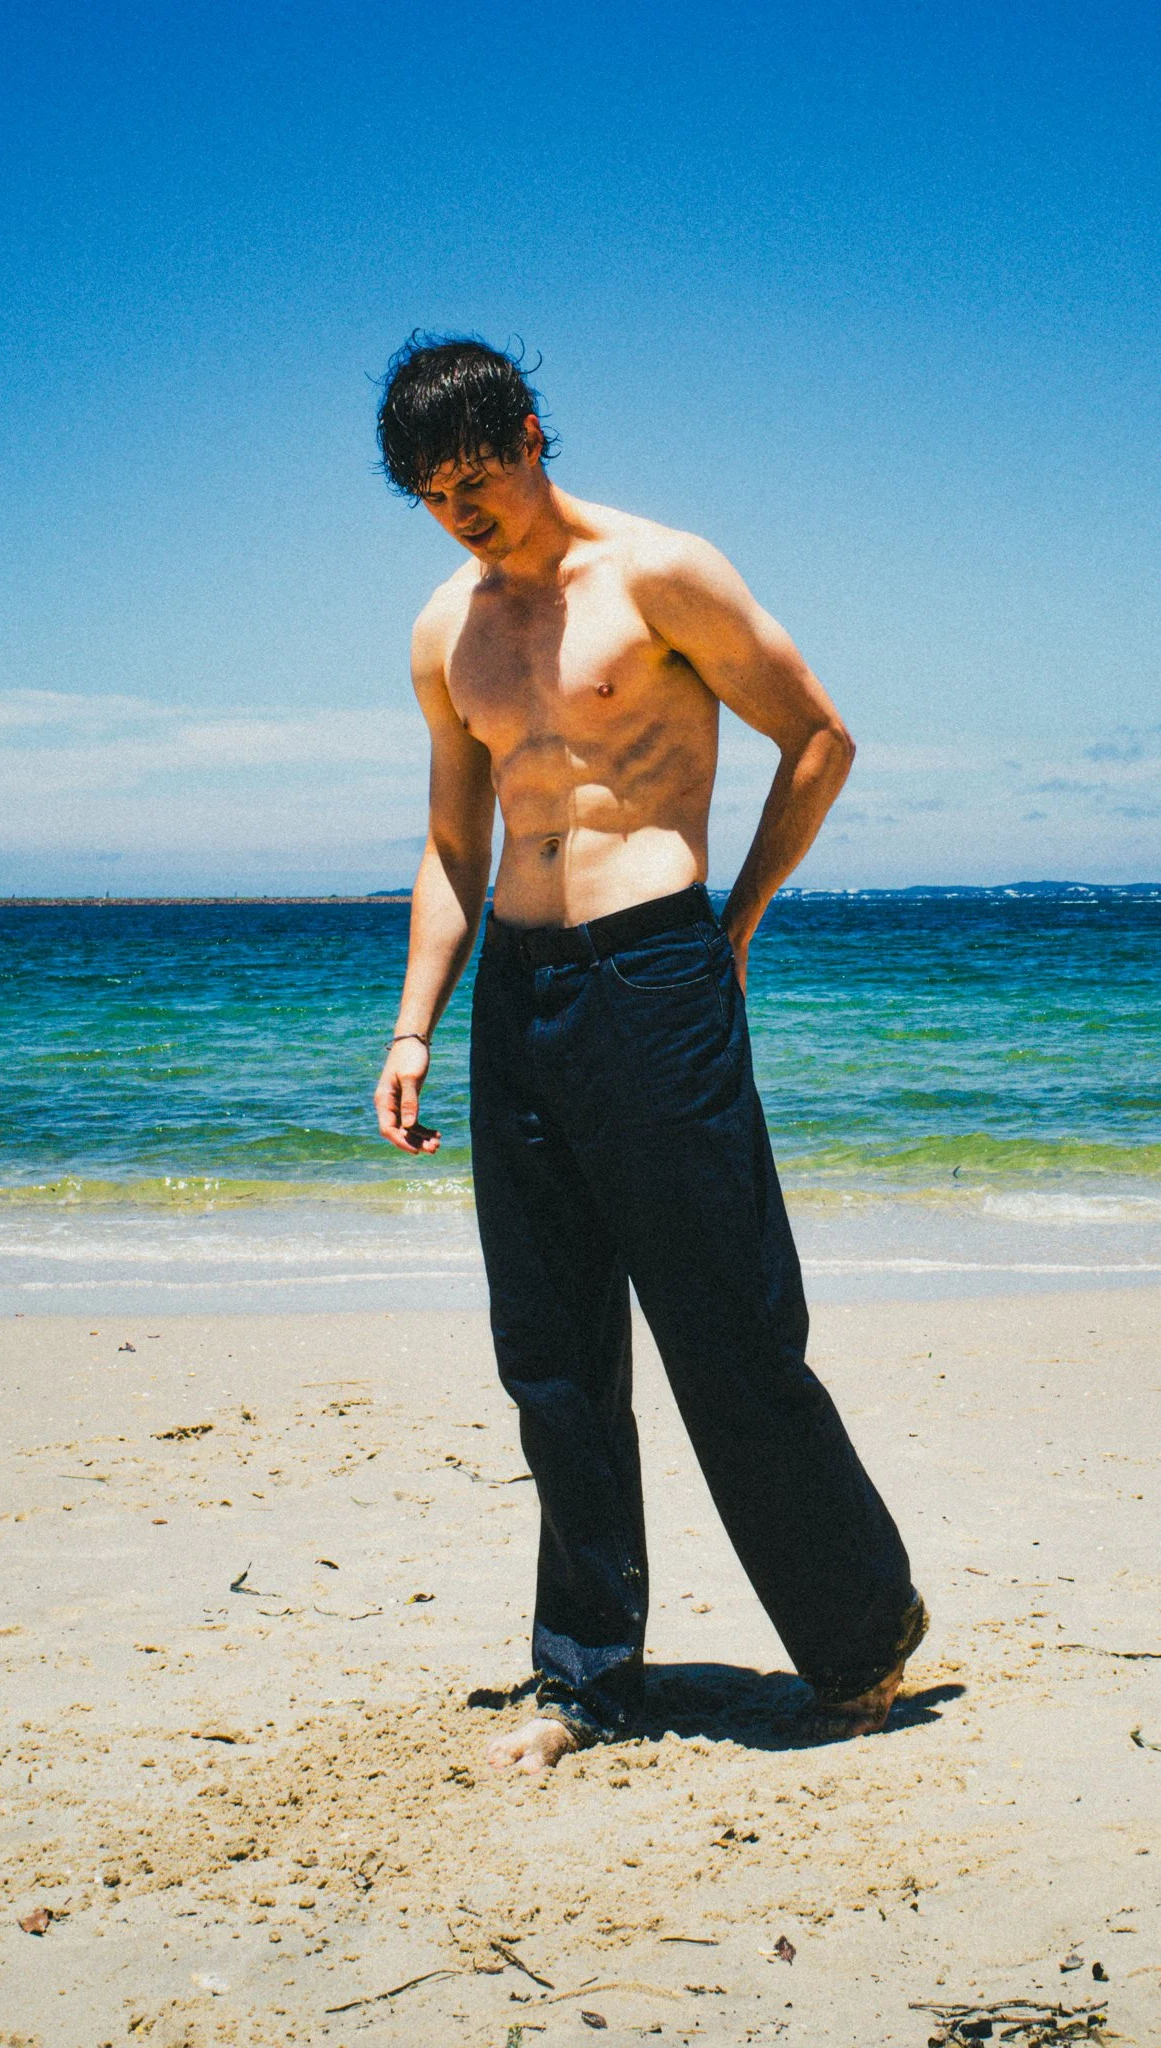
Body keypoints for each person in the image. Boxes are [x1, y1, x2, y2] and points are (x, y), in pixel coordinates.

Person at [372, 335, 926, 1774]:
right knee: (551, 1355)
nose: (464, 514)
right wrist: (414, 1025)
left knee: (730, 1329)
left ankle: (860, 1641)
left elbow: (819, 738)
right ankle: (587, 1681)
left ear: (531, 435)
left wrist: (732, 924)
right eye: (436, 497)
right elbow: (453, 843)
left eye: (478, 479)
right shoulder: (444, 632)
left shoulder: (661, 573)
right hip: (520, 990)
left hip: (656, 969)